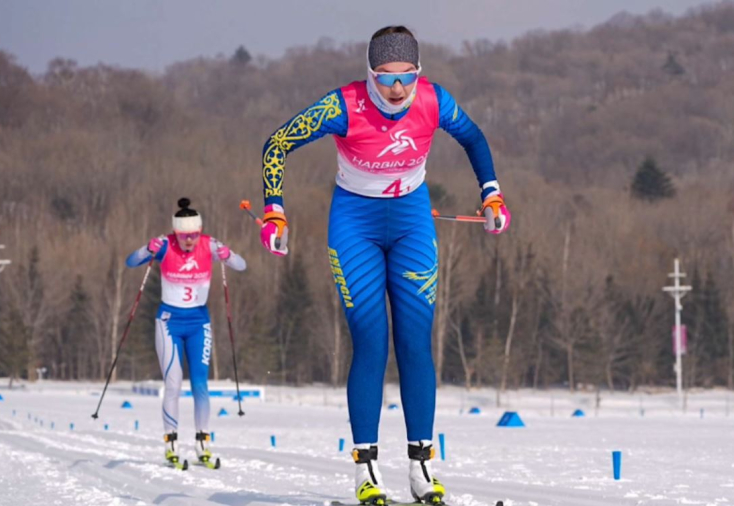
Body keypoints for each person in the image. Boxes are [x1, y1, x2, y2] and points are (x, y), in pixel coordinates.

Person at [259, 26, 510, 505]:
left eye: (407, 77)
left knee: (416, 340)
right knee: (371, 340)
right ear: (369, 74)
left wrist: (492, 194)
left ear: (420, 73)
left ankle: (421, 469)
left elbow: (475, 139)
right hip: (355, 225)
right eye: (385, 78)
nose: (397, 89)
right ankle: (366, 471)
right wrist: (274, 209)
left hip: (413, 221)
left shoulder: (434, 102)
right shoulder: (342, 106)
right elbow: (277, 144)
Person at [126, 198, 246, 469]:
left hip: (198, 322)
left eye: (193, 235)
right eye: (183, 236)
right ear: (176, 233)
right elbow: (131, 261)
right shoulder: (166, 245)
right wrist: (147, 249)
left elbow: (242, 265)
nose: (188, 241)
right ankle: (171, 442)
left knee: (200, 385)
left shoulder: (210, 245)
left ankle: (203, 442)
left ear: (200, 231)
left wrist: (228, 254)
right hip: (169, 322)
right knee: (174, 382)